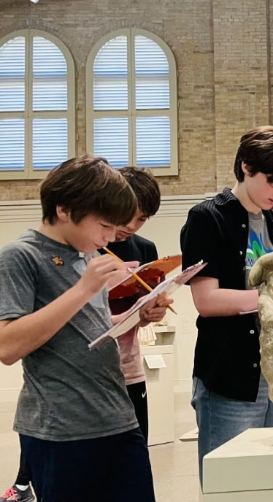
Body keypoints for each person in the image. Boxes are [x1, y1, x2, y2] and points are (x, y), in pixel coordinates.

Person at [0, 156, 168, 502]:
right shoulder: (19, 257)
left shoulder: (88, 256)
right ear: (65, 209)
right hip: (61, 430)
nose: (111, 237)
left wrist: (137, 316)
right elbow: (5, 346)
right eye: (104, 225)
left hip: (118, 418)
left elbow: (87, 330)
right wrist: (82, 289)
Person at [180, 126, 273, 486]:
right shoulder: (208, 218)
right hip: (229, 376)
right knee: (228, 483)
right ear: (247, 167)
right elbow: (207, 300)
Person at [106, 166, 166, 441]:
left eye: (141, 219)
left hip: (129, 369)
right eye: (127, 214)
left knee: (136, 451)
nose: (131, 225)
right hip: (89, 371)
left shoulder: (144, 248)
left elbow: (144, 314)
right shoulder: (88, 245)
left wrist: (154, 310)